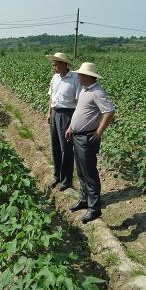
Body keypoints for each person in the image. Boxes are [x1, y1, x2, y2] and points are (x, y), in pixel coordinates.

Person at [65, 62, 115, 224]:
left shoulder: (97, 92)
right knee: (80, 171)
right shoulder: (85, 90)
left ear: (88, 76)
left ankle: (94, 209)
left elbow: (109, 111)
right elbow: (81, 112)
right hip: (77, 135)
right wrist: (71, 127)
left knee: (90, 173)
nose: (78, 76)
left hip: (87, 138)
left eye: (80, 74)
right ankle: (84, 199)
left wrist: (99, 132)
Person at [45, 52, 81, 191]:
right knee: (55, 147)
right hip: (55, 113)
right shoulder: (55, 78)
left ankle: (66, 180)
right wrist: (49, 112)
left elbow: (78, 103)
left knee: (66, 149)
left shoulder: (75, 78)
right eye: (53, 65)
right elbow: (51, 96)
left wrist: (72, 123)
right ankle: (57, 176)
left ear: (64, 64)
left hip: (68, 114)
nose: (54, 67)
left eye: (56, 65)